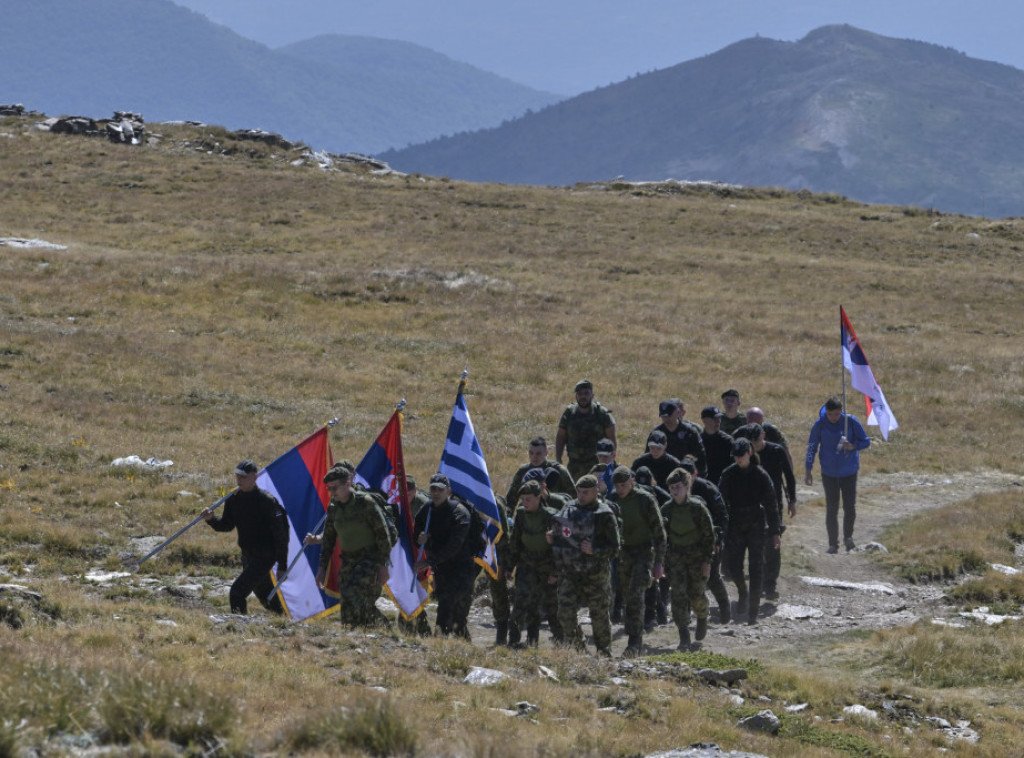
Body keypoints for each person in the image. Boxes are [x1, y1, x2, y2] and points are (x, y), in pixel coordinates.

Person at [202, 459, 288, 616]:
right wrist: (211, 519)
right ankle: (284, 620)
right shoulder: (233, 498)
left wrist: (282, 565)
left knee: (237, 592)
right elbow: (226, 525)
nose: (239, 480)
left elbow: (281, 535)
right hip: (247, 555)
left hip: (265, 556)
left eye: (243, 477)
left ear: (254, 477)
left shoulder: (267, 501)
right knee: (264, 593)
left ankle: (239, 626)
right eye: (237, 476)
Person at [547, 474, 621, 656]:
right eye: (579, 492)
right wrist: (553, 536)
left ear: (596, 491)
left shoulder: (604, 514)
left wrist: (595, 549)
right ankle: (580, 650)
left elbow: (615, 548)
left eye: (586, 492)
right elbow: (563, 531)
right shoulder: (569, 507)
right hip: (570, 572)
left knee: (599, 616)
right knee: (564, 612)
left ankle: (604, 653)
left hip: (596, 573)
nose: (581, 496)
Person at [313, 463, 393, 627]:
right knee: (347, 604)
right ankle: (359, 634)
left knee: (356, 595)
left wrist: (383, 565)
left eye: (335, 487)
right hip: (348, 560)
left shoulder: (366, 503)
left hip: (370, 558)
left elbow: (383, 534)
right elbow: (328, 539)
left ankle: (381, 628)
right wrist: (321, 569)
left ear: (347, 484)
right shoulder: (334, 508)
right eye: (329, 488)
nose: (332, 492)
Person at [718, 438, 781, 624]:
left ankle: (753, 611)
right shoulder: (728, 474)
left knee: (756, 568)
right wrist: (721, 528)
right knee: (734, 567)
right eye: (736, 456)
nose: (739, 459)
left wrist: (775, 531)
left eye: (742, 455)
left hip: (756, 525)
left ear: (749, 453)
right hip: (735, 525)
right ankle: (742, 593)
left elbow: (771, 504)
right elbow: (720, 503)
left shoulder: (760, 475)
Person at [733, 423, 796, 600]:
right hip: (752, 505)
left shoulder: (776, 451)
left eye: (757, 440)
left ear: (763, 435)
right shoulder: (746, 455)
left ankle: (770, 585)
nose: (755, 444)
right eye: (752, 441)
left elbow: (788, 476)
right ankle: (759, 583)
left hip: (773, 504)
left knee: (773, 544)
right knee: (756, 545)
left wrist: (792, 501)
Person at [413, 474, 478, 639]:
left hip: (462, 569)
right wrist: (419, 538)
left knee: (447, 603)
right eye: (433, 489)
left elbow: (454, 546)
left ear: (448, 491)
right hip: (442, 570)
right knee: (456, 618)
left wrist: (429, 561)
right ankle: (462, 648)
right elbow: (416, 534)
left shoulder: (459, 513)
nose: (436, 493)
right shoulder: (426, 510)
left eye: (440, 490)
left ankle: (439, 642)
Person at [610, 466, 666, 656]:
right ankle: (633, 632)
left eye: (623, 485)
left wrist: (659, 562)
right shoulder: (613, 500)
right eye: (617, 486)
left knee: (635, 593)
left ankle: (634, 642)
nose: (620, 489)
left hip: (644, 552)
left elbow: (659, 532)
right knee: (626, 594)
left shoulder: (645, 500)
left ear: (631, 482)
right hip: (624, 553)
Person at [805, 396, 871, 554]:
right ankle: (833, 544)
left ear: (841, 411)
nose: (833, 418)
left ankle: (848, 537)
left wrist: (853, 446)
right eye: (830, 414)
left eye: (836, 414)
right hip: (829, 473)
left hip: (849, 472)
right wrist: (808, 470)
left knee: (849, 507)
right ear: (826, 412)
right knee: (832, 508)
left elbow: (866, 441)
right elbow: (812, 447)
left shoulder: (851, 422)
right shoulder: (820, 424)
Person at [662, 468, 716, 650]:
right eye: (671, 488)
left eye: (678, 487)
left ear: (686, 486)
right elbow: (661, 536)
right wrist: (661, 561)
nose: (675, 491)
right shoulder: (667, 510)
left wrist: (707, 562)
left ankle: (702, 616)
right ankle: (684, 635)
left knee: (696, 594)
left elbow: (709, 536)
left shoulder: (697, 508)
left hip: (696, 558)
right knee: (678, 595)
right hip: (676, 558)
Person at [506, 479, 562, 646]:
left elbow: (561, 548)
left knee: (552, 607)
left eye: (528, 499)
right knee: (522, 603)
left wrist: (555, 572)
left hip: (547, 567)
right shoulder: (521, 515)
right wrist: (509, 566)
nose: (525, 503)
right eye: (522, 499)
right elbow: (515, 542)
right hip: (527, 565)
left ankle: (561, 642)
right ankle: (515, 641)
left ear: (539, 497)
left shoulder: (551, 516)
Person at [677, 456, 731, 624]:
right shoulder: (676, 490)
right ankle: (686, 617)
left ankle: (725, 610)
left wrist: (717, 540)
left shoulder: (707, 489)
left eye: (688, 477)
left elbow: (722, 516)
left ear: (695, 474)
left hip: (709, 539)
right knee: (686, 577)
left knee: (712, 576)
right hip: (687, 541)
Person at [556, 379, 616, 481]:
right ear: (576, 396)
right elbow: (561, 437)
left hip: (597, 467)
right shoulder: (569, 413)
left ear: (592, 395)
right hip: (574, 466)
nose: (583, 396)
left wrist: (610, 462)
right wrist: (558, 459)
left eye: (586, 393)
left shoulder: (602, 414)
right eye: (580, 394)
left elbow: (612, 440)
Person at [505, 437, 576, 509]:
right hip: (529, 511)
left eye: (538, 453)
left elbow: (574, 496)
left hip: (555, 510)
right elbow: (510, 499)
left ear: (546, 453)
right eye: (531, 453)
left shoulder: (558, 470)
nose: (534, 457)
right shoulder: (523, 471)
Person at [653, 399, 708, 477]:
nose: (666, 419)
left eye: (669, 416)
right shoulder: (656, 433)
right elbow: (649, 456)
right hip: (663, 475)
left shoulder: (690, 432)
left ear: (678, 412)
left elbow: (700, 456)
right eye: (663, 416)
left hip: (686, 476)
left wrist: (700, 475)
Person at [699, 405, 734, 485]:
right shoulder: (698, 441)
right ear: (704, 421)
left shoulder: (727, 441)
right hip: (703, 484)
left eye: (719, 418)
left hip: (723, 483)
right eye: (714, 418)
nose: (718, 421)